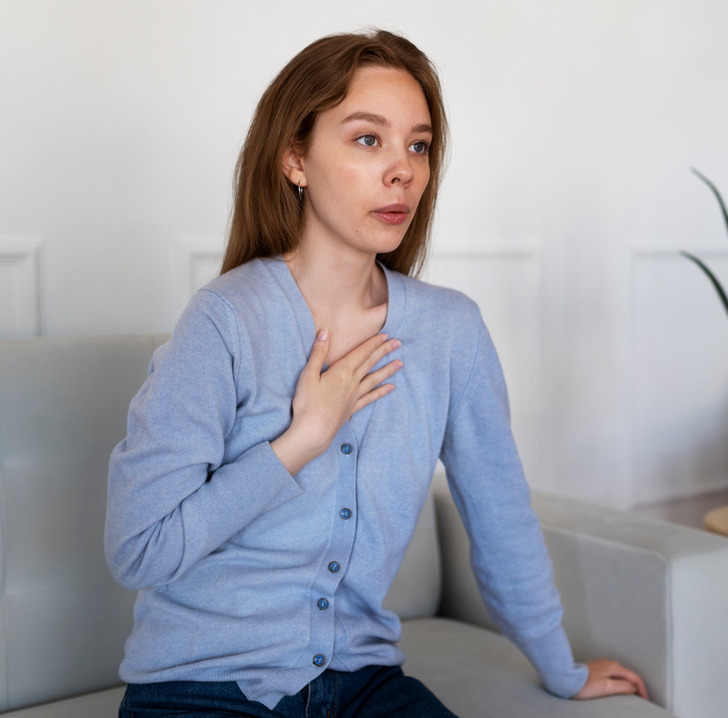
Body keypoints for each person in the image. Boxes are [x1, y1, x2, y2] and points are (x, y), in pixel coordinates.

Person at [105, 29, 648, 717]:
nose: (403, 172)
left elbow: (502, 519)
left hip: (363, 686)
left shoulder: (450, 332)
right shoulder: (225, 322)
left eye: (418, 146)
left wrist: (561, 668)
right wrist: (299, 442)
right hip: (199, 687)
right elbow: (139, 551)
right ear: (295, 159)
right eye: (368, 139)